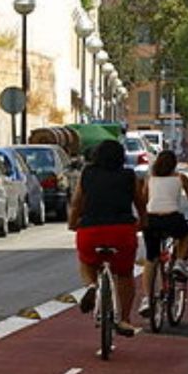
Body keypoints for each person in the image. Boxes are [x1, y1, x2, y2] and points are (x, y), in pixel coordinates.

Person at [68, 140, 147, 336]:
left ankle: (92, 285)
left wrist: (72, 223)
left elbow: (77, 203)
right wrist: (142, 223)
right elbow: (141, 205)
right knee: (125, 274)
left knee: (86, 261)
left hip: (90, 231)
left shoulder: (87, 174)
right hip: (122, 232)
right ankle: (126, 320)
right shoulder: (130, 176)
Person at [138, 150, 188, 316]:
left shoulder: (150, 179)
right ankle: (179, 263)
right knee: (184, 235)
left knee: (151, 259)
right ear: (174, 165)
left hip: (152, 221)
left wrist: (141, 221)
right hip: (172, 219)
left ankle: (146, 299)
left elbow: (143, 202)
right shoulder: (181, 178)